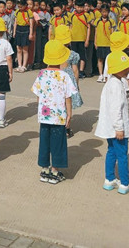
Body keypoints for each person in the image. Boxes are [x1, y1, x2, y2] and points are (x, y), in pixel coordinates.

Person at [32, 40, 77, 184]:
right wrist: (69, 114)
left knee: (44, 142)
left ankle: (45, 169)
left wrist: (40, 109)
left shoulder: (41, 74)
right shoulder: (64, 76)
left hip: (44, 115)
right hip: (58, 116)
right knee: (58, 143)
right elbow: (68, 97)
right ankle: (55, 171)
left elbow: (37, 94)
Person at [95, 51, 129, 194]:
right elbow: (116, 108)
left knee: (111, 151)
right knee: (122, 154)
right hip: (117, 128)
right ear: (119, 69)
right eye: (126, 67)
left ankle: (109, 179)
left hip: (110, 127)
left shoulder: (112, 82)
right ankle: (125, 183)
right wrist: (119, 128)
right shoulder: (116, 86)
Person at [54, 26, 83, 138]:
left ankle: (58, 124)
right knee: (67, 105)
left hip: (56, 80)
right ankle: (66, 128)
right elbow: (75, 70)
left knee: (57, 103)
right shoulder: (72, 54)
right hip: (68, 81)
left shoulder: (53, 53)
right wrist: (76, 84)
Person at [94, 6, 113, 82]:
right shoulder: (97, 21)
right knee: (100, 59)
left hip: (108, 44)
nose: (104, 13)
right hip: (100, 43)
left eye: (106, 12)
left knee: (107, 60)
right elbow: (96, 32)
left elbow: (112, 32)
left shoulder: (111, 21)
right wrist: (95, 42)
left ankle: (107, 75)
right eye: (102, 12)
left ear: (108, 12)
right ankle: (100, 74)